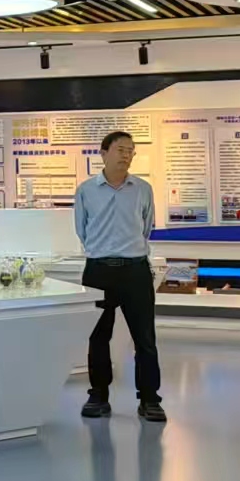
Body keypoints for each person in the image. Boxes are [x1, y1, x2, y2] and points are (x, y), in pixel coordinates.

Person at [75, 129, 165, 422]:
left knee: (145, 338)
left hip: (135, 270)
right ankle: (98, 395)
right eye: (121, 150)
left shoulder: (142, 189)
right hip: (98, 270)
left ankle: (149, 399)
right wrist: (104, 250)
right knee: (98, 336)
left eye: (130, 151)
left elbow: (146, 226)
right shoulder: (86, 190)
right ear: (103, 153)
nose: (127, 155)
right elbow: (82, 229)